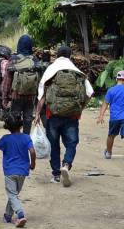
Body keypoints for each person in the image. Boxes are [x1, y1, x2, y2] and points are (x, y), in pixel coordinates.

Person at [35, 46, 94, 187]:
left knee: (54, 145)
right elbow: (89, 92)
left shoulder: (52, 70)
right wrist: (80, 107)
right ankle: (66, 164)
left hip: (53, 115)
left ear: (57, 56)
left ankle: (55, 175)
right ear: (70, 56)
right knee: (71, 143)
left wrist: (37, 113)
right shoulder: (76, 71)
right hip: (72, 115)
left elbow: (42, 94)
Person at [0, 112, 36, 228]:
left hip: (9, 171)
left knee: (12, 195)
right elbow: (32, 151)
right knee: (13, 194)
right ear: (21, 125)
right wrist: (33, 163)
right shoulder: (26, 137)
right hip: (23, 171)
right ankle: (7, 216)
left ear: (7, 126)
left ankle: (20, 214)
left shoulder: (5, 139)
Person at [2, 35, 41, 134]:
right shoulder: (35, 60)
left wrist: (5, 98)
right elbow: (39, 81)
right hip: (30, 96)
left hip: (16, 97)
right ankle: (26, 141)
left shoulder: (13, 59)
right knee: (28, 120)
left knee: (15, 121)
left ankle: (16, 143)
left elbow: (7, 81)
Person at [97, 70, 124, 162]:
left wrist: (101, 115)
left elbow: (105, 104)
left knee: (111, 135)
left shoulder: (111, 90)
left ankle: (109, 153)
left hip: (114, 117)